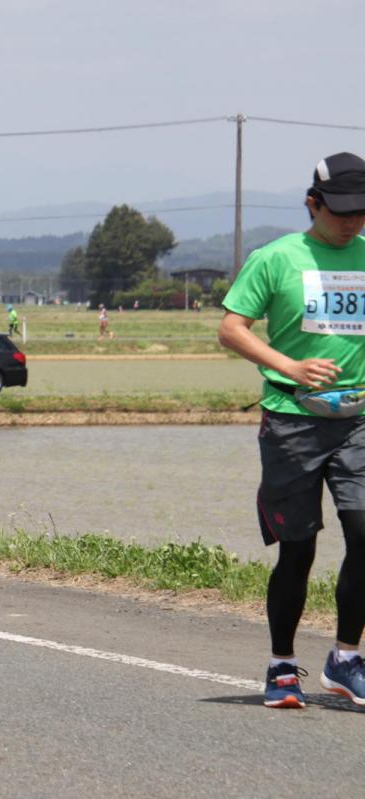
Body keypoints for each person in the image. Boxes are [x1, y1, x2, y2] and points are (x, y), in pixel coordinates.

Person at [218, 151, 365, 709]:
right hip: (291, 420)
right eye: (341, 211)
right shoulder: (276, 258)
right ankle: (281, 665)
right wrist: (290, 366)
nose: (351, 222)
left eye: (361, 212)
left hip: (357, 421)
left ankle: (346, 659)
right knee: (298, 549)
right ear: (312, 203)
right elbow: (232, 329)